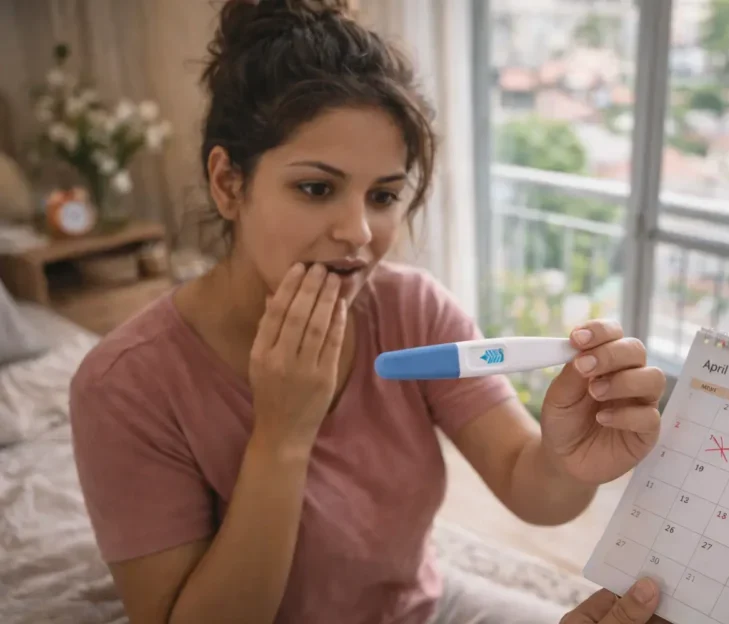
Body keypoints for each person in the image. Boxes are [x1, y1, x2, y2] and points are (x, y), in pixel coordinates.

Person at [68, 1, 666, 623]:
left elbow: (530, 485)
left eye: (382, 196)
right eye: (316, 188)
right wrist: (281, 434)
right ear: (228, 183)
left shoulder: (413, 310)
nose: (359, 232)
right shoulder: (124, 385)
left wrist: (568, 458)